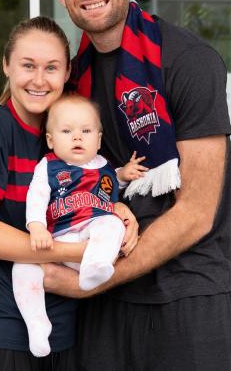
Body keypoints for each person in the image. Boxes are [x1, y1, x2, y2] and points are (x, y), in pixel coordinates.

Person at [45, 0, 231, 370]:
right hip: (103, 302)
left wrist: (89, 281)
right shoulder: (73, 81)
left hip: (184, 300)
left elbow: (196, 212)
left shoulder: (189, 61)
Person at [0, 16, 139, 371]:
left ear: (67, 72)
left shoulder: (65, 135)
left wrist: (119, 211)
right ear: (7, 66)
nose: (39, 79)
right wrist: (81, 252)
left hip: (61, 334)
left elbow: (89, 194)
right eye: (27, 65)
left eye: (51, 67)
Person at [13, 94, 147, 357]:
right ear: (51, 140)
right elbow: (37, 195)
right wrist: (37, 226)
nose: (77, 137)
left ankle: (94, 268)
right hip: (61, 238)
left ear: (98, 139)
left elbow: (111, 182)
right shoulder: (49, 166)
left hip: (92, 234)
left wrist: (124, 173)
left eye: (86, 131)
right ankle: (37, 323)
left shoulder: (104, 166)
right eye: (67, 131)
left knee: (112, 223)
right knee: (22, 267)